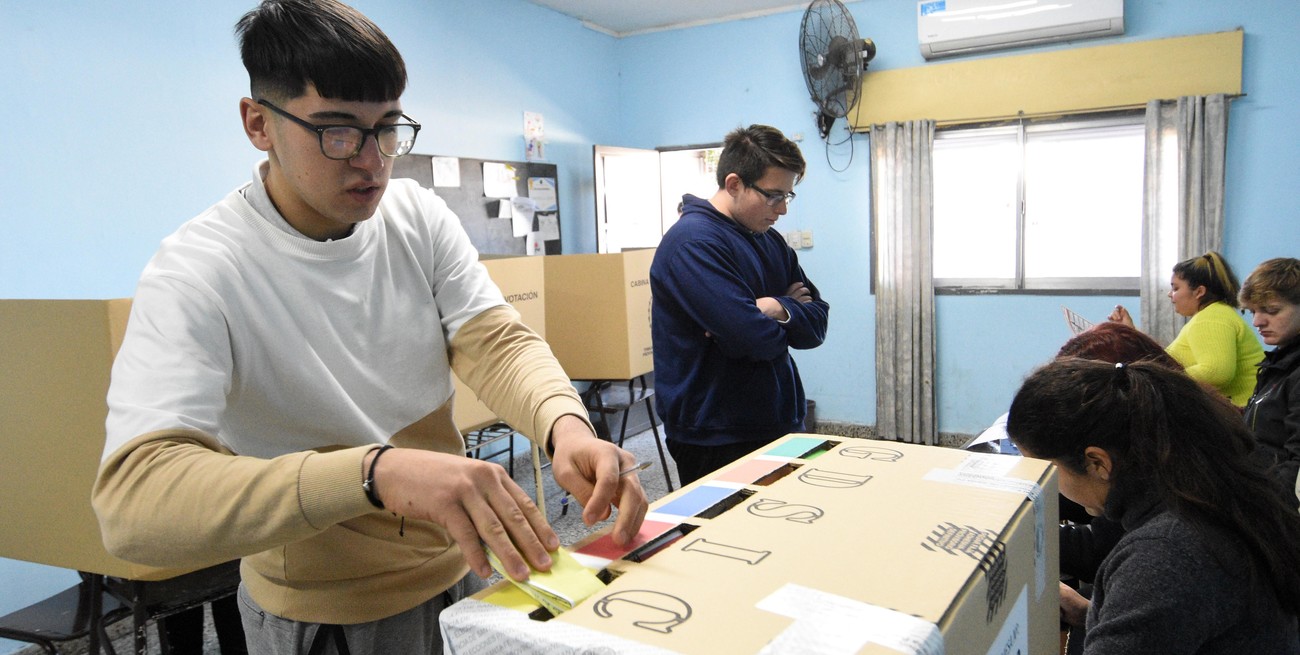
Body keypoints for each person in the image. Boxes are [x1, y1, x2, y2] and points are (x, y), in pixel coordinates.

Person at [91, 2, 648, 654]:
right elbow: (135, 504)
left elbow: (494, 341)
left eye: (387, 128)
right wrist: (374, 474)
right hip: (324, 613)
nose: (372, 160)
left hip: (461, 570)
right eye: (337, 131)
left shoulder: (415, 215)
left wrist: (565, 424)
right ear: (257, 123)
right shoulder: (200, 270)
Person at [1007, 359, 1300, 653]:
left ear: (1097, 462)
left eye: (1045, 471)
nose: (1044, 486)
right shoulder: (1205, 492)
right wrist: (1091, 612)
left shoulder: (1166, 554)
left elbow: (1170, 584)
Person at [649, 124, 829, 486]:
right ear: (734, 184)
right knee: (724, 539)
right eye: (773, 196)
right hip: (717, 432)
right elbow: (752, 339)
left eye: (787, 197)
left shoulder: (769, 240)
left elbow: (817, 323)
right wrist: (775, 314)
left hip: (778, 419)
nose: (782, 210)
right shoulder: (693, 244)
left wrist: (776, 308)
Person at [1110, 250, 1263, 406]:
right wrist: (1132, 333)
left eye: (1176, 288)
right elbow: (1166, 361)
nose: (1170, 294)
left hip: (1238, 416)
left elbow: (1217, 373)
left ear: (1199, 292)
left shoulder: (1211, 318)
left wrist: (1161, 376)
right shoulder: (1215, 314)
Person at [1239, 257, 1300, 506]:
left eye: (1272, 310)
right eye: (1253, 311)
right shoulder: (1280, 362)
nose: (1257, 322)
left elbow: (1296, 469)